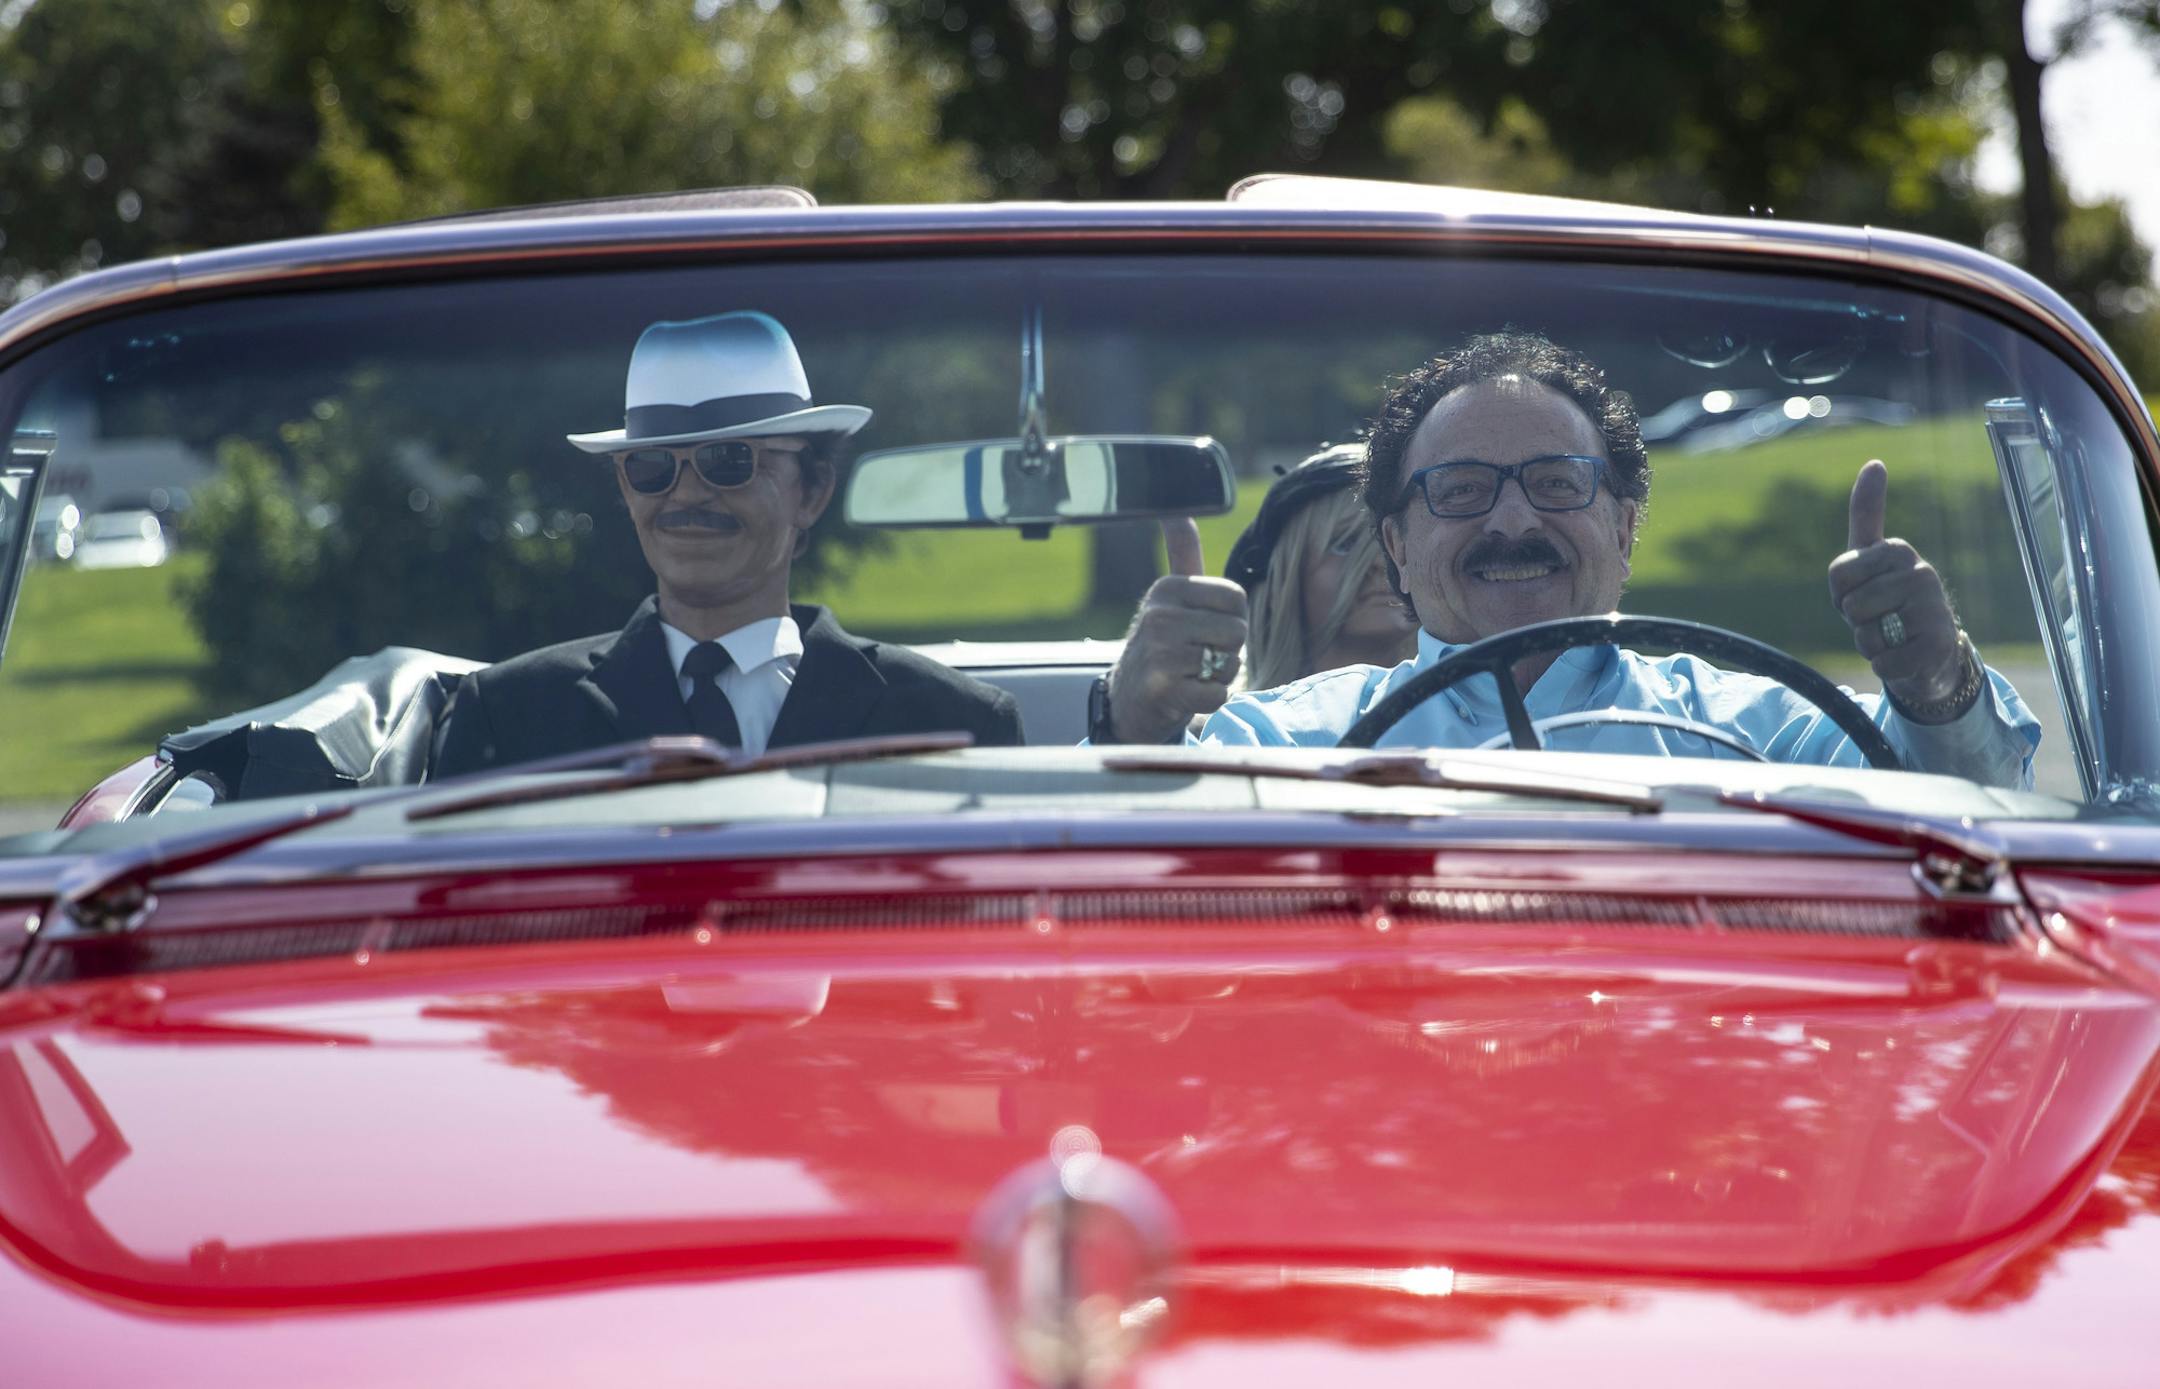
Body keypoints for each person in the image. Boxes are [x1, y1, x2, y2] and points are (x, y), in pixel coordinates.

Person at [1105, 330, 2039, 788]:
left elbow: (1974, 816)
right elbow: (1133, 855)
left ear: (1626, 525)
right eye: (1463, 489)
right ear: (1398, 541)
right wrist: (1140, 721)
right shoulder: (1292, 744)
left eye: (1556, 482)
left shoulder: (1752, 725)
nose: (1514, 520)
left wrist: (1934, 681)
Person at [432, 310, 1023, 776]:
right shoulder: (508, 717)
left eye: (728, 460)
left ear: (811, 491)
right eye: (651, 467)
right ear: (625, 488)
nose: (686, 494)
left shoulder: (954, 722)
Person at [1091, 444, 1417, 742]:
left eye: (1391, 541)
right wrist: (1135, 723)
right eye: (1344, 544)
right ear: (1281, 583)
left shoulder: (1462, 724)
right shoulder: (1216, 738)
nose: (1380, 562)